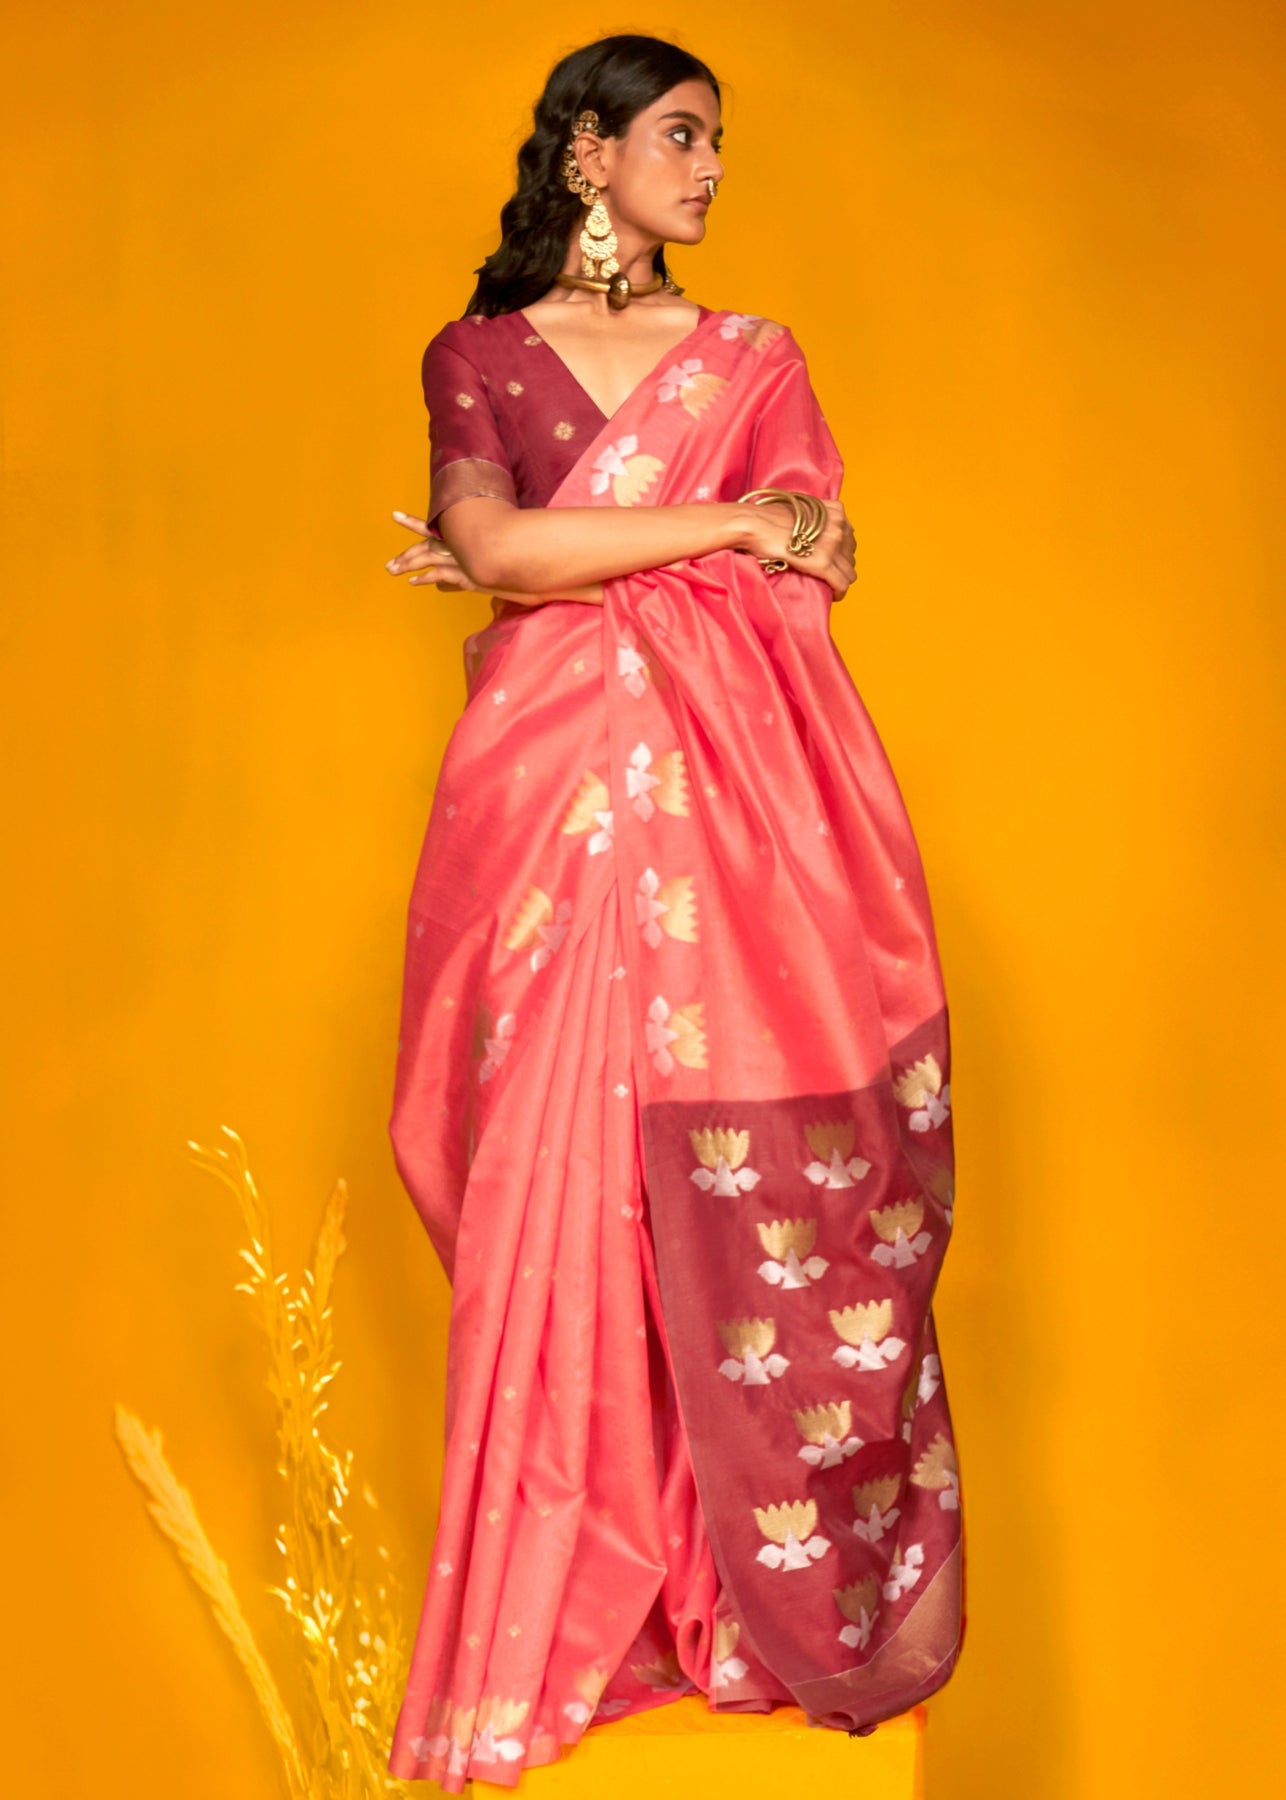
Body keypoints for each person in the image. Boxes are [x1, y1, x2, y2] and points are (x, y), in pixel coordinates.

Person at [382, 32, 965, 1794]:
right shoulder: (479, 355)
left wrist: (589, 556)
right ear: (588, 151)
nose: (708, 169)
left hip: (725, 828)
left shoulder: (754, 357)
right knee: (541, 1186)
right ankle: (565, 1616)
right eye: (680, 136)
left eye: (717, 142)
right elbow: (501, 553)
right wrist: (715, 531)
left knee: (727, 1190)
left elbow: (819, 558)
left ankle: (727, 1603)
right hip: (544, 813)